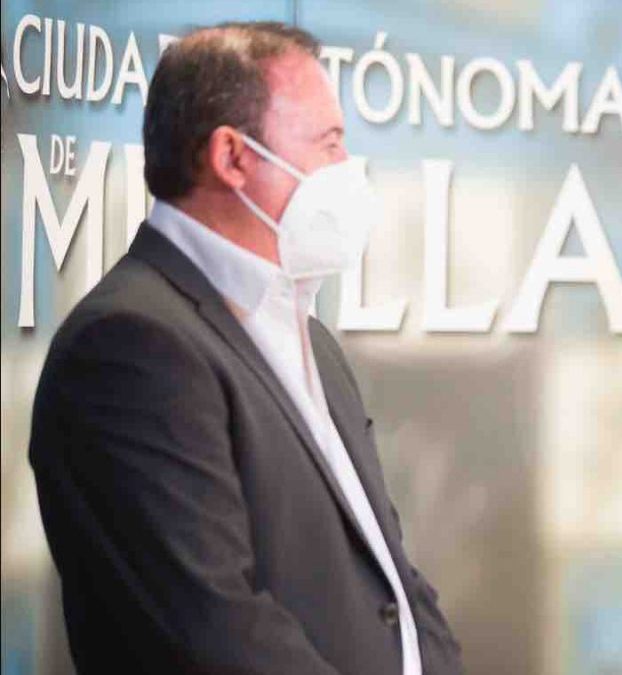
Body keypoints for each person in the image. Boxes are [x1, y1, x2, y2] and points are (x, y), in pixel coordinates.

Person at [28, 22, 462, 674]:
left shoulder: (310, 339)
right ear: (232, 156)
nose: (348, 172)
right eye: (329, 144)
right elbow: (213, 628)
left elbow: (391, 578)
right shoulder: (128, 347)